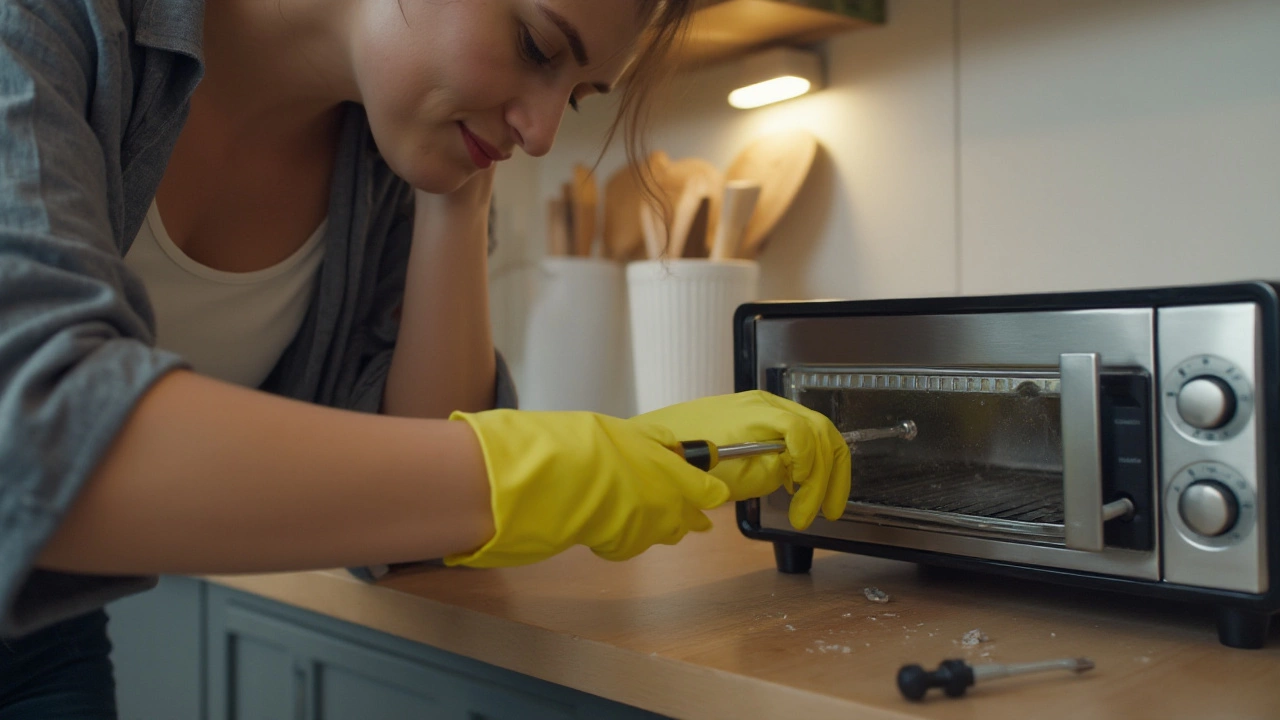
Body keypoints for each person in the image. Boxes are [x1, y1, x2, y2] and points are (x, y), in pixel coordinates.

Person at [0, 0, 851, 716]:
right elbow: (39, 437)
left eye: (578, 96)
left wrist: (459, 191)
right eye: (537, 47)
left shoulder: (375, 158)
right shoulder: (48, 23)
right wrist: (570, 465)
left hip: (43, 634)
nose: (547, 131)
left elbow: (417, 538)